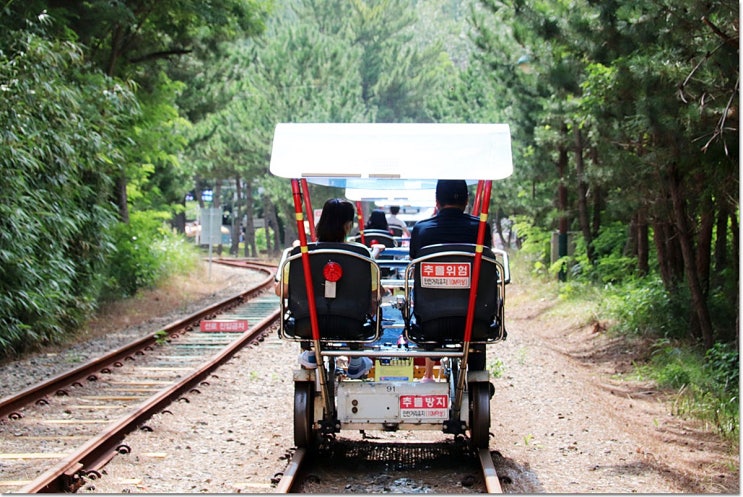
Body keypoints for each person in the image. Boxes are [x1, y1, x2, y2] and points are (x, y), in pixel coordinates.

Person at [274, 198, 377, 379]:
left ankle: (312, 351)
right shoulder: (361, 254)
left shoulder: (300, 254)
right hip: (352, 325)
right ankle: (355, 360)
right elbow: (374, 294)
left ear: (320, 223)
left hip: (308, 324)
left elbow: (281, 291)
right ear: (348, 225)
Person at [408, 180, 492, 383]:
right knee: (475, 337)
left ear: (436, 201)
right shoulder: (480, 229)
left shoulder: (422, 230)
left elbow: (414, 263)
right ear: (467, 201)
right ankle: (476, 375)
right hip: (474, 319)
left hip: (431, 320)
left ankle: (431, 366)